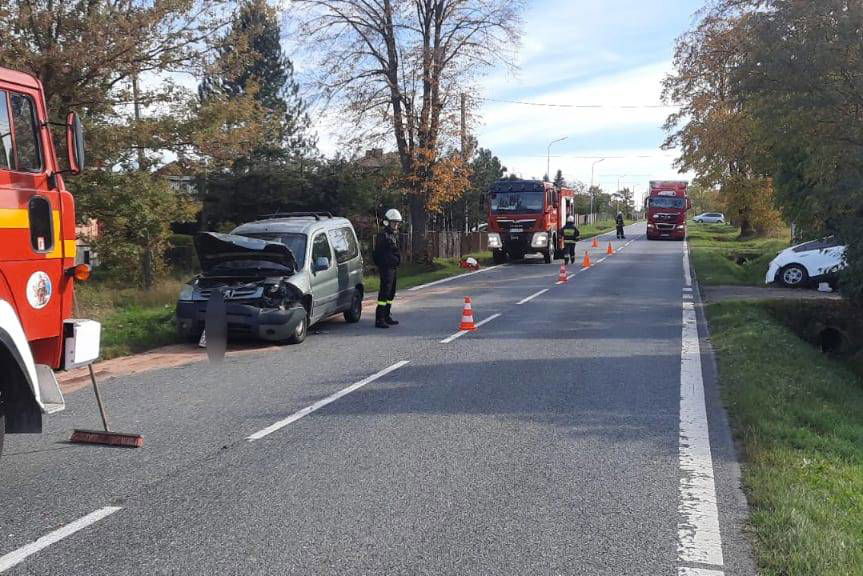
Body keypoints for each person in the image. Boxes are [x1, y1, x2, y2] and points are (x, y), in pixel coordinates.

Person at [373, 208, 402, 329]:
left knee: (391, 292)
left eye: (397, 222)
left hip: (392, 268)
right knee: (384, 293)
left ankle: (386, 315)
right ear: (387, 222)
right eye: (394, 222)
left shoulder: (393, 235)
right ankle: (379, 318)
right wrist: (385, 263)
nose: (396, 225)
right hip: (386, 268)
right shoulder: (383, 236)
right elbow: (378, 254)